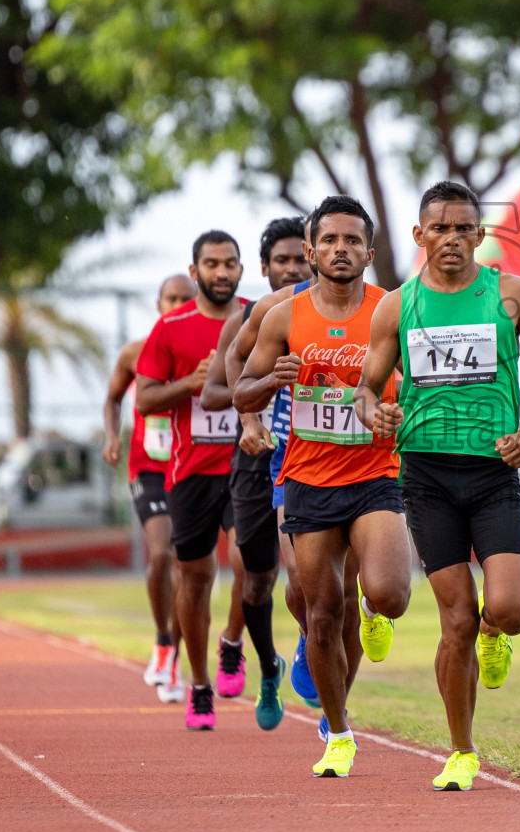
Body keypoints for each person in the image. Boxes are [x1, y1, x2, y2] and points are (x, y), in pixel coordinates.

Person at [355, 180, 520, 792]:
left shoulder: (509, 295)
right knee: (453, 619)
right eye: (439, 228)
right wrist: (374, 413)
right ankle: (461, 750)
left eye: (463, 228)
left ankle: (495, 633)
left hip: (492, 474)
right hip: (425, 475)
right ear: (419, 234)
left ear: (480, 235)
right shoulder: (397, 307)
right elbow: (367, 390)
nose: (451, 239)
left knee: (507, 608)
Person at [237, 196, 412, 778]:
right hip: (308, 478)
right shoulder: (284, 316)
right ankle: (337, 732)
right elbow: (240, 392)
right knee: (318, 611)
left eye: (352, 240)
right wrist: (268, 382)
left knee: (387, 593)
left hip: (374, 472)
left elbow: (416, 386)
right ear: (311, 250)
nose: (341, 250)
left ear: (368, 249)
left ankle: (376, 611)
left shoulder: (393, 309)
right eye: (329, 240)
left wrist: (396, 412)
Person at [196, 218, 313, 729]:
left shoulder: (329, 312)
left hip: (311, 455)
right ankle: (269, 665)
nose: (290, 268)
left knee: (305, 577)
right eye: (280, 261)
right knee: (256, 578)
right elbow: (215, 392)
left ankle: (315, 643)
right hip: (253, 457)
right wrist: (253, 407)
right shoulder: (245, 319)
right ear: (263, 268)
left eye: (297, 259)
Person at [134, 230, 245, 730]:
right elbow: (145, 399)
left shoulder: (256, 316)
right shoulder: (171, 328)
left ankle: (232, 642)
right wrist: (191, 384)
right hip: (190, 472)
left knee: (252, 566)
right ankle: (199, 683)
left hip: (246, 466)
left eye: (230, 263)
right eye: (212, 264)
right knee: (195, 577)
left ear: (242, 269)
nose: (221, 272)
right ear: (195, 268)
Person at [102, 274, 196, 704]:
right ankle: (162, 639)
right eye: (171, 298)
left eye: (185, 299)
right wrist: (110, 436)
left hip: (192, 467)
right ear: (158, 304)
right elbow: (113, 398)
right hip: (148, 468)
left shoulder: (205, 353)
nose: (177, 304)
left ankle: (173, 656)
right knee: (161, 552)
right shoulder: (135, 352)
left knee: (188, 567)